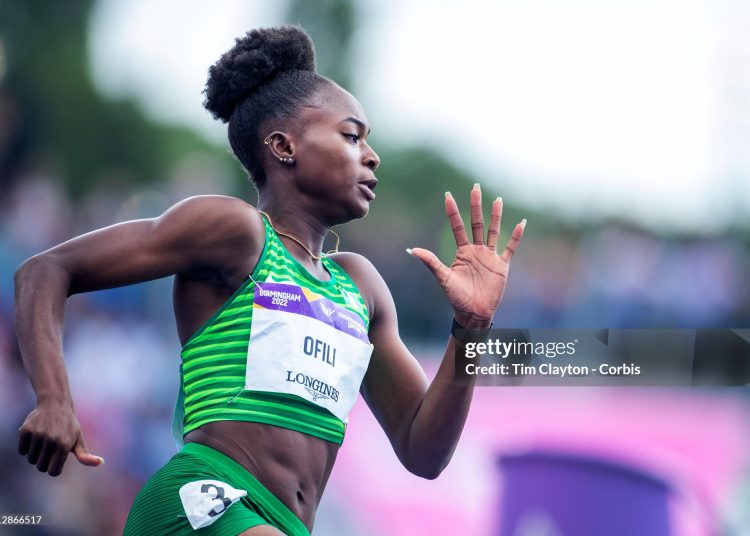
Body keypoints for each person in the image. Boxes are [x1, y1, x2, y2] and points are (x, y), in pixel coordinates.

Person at [14, 25, 525, 535]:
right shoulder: (238, 234)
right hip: (203, 501)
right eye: (352, 136)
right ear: (284, 146)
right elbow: (45, 270)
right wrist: (54, 398)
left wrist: (470, 327)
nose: (372, 156)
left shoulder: (360, 286)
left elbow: (424, 451)